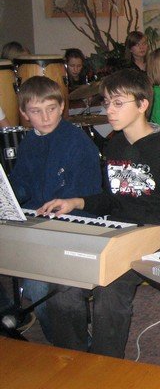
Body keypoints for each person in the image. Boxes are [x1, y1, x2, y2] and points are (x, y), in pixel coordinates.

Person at [39, 69, 160, 358]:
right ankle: (73, 360)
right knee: (63, 286)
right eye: (107, 102)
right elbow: (113, 199)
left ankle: (103, 367)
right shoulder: (116, 144)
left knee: (109, 289)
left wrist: (126, 240)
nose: (109, 110)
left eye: (118, 103)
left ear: (143, 104)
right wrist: (76, 203)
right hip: (120, 233)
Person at [8, 76, 102, 343]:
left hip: (72, 225)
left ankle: (73, 344)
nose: (46, 117)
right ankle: (59, 339)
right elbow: (22, 184)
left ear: (62, 106)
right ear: (25, 114)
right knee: (33, 285)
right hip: (39, 224)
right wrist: (10, 199)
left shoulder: (77, 142)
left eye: (51, 108)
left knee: (42, 288)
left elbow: (87, 198)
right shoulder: (29, 142)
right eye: (36, 111)